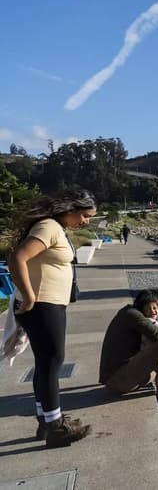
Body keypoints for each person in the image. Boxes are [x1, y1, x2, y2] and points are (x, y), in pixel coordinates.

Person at [8, 189, 97, 448]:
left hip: (50, 305)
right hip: (42, 305)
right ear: (70, 209)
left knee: (46, 362)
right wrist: (29, 296)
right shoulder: (48, 227)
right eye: (84, 215)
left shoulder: (55, 227)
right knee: (51, 361)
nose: (86, 221)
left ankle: (46, 420)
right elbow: (18, 258)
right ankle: (56, 427)